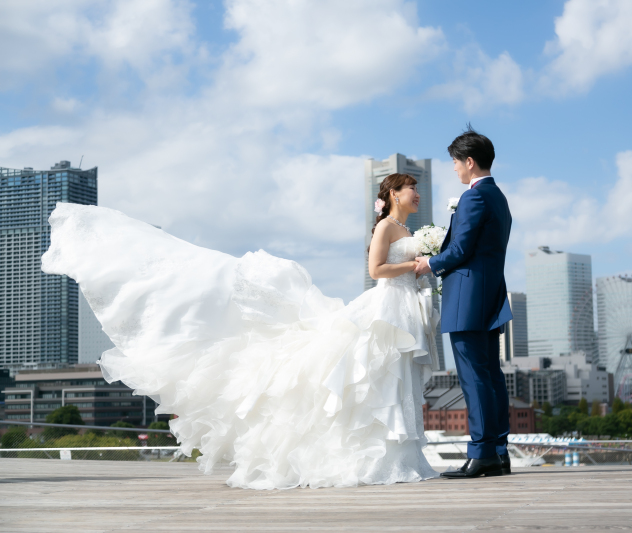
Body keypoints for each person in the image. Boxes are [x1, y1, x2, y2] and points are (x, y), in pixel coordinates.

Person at [41, 172, 439, 490]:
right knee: (377, 374)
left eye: (416, 189)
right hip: (386, 304)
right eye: (410, 188)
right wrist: (415, 266)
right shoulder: (386, 228)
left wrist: (421, 263)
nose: (416, 194)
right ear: (392, 195)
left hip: (404, 307)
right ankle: (375, 457)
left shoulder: (407, 232)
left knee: (395, 378)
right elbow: (375, 272)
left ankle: (400, 458)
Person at [416, 126, 513, 478]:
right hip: (489, 295)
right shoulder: (498, 197)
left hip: (468, 299)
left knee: (474, 378)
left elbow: (460, 249)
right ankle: (498, 452)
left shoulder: (474, 198)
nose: (454, 169)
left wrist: (429, 263)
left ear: (469, 162)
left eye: (456, 163)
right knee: (490, 377)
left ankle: (482, 453)